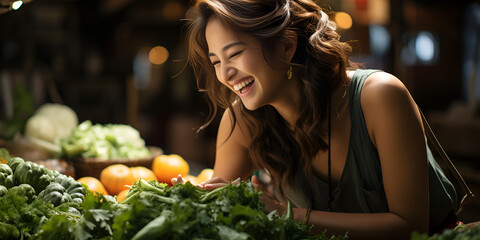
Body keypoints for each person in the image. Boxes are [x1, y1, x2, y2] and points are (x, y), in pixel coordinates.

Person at [172, 0, 458, 239]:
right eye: (216, 62)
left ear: (285, 45)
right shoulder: (243, 120)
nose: (225, 75)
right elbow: (218, 211)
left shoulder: (379, 96)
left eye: (234, 54)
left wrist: (284, 214)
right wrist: (187, 199)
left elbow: (411, 227)